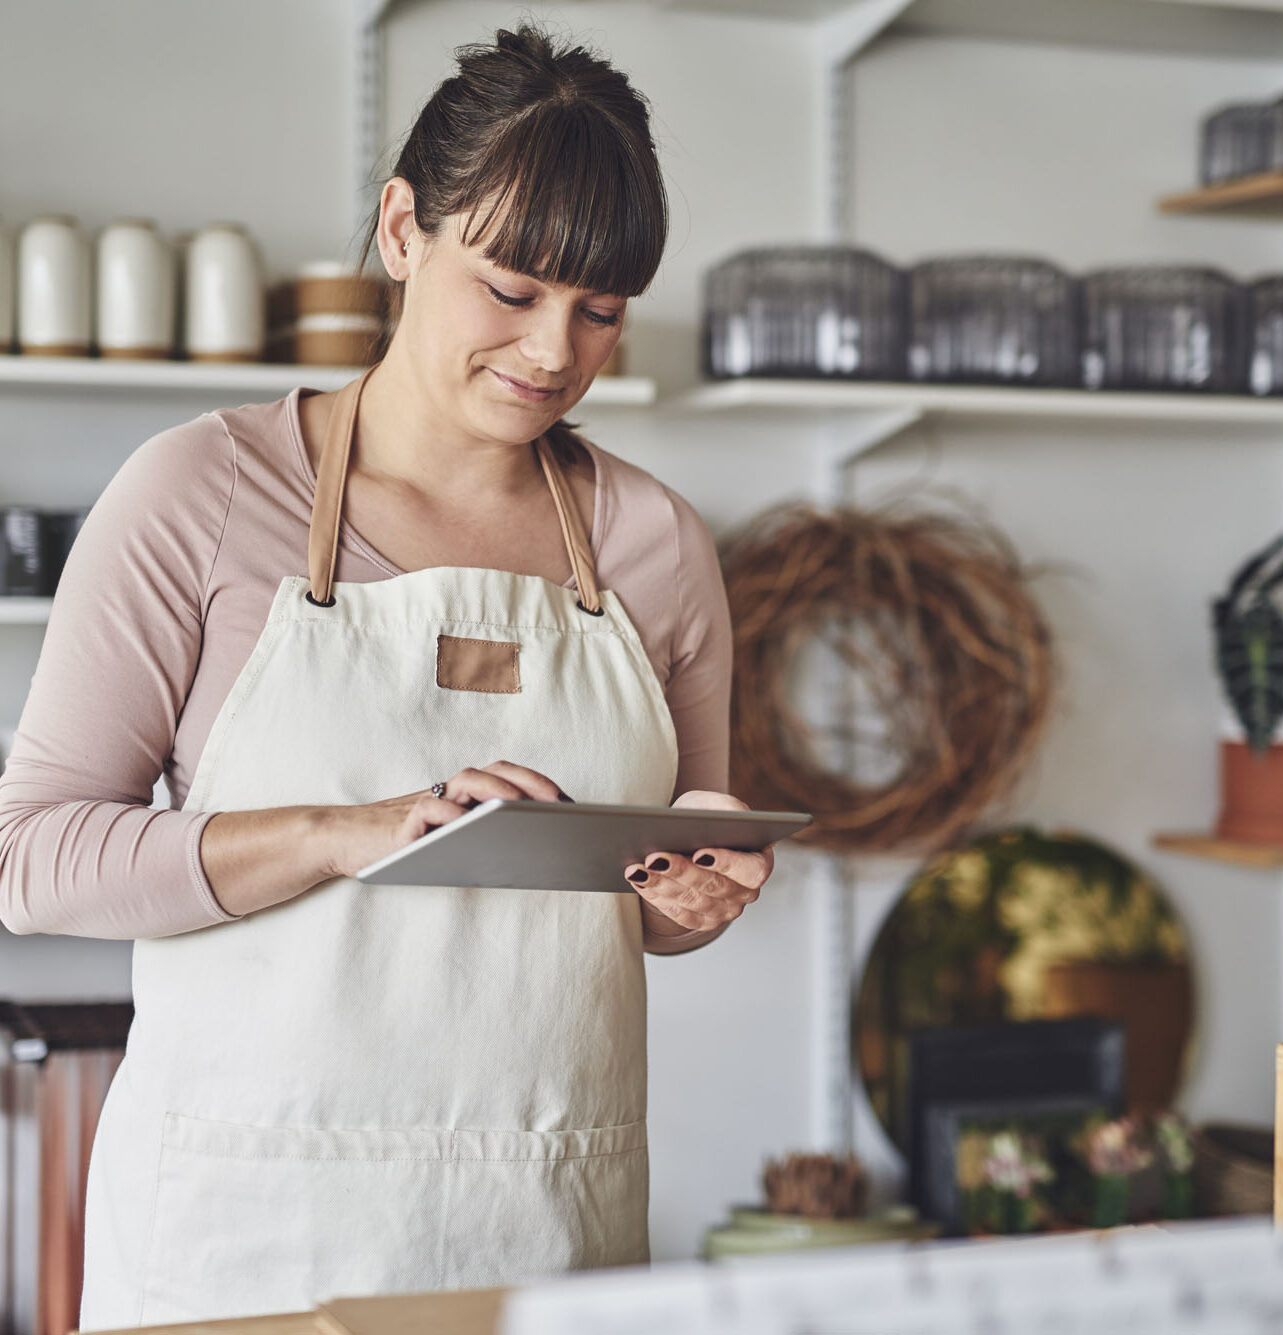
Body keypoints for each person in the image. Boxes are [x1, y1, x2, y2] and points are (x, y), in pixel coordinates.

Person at [0, 23, 775, 1328]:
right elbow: (32, 860)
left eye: (601, 311)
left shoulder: (653, 545)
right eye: (514, 290)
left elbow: (653, 891)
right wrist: (344, 833)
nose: (554, 353)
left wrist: (693, 894)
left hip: (546, 1232)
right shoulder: (203, 494)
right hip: (245, 1242)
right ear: (404, 228)